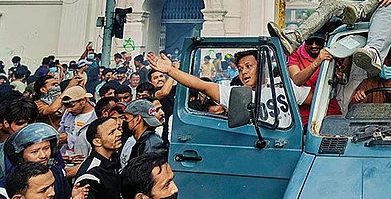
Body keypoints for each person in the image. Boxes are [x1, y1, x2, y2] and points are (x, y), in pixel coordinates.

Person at [146, 50, 301, 129]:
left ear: (261, 66)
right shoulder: (235, 93)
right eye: (240, 69)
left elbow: (313, 101)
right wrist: (171, 71)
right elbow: (202, 85)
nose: (244, 72)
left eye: (248, 67)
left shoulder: (282, 86)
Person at [2, 123, 79, 199]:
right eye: (35, 151)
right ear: (20, 156)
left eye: (46, 148)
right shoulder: (3, 189)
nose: (43, 155)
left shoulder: (56, 173)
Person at [287, 33, 342, 126]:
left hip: (329, 107)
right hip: (306, 113)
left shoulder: (332, 51)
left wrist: (340, 74)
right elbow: (297, 79)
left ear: (325, 39)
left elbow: (343, 71)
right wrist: (316, 63)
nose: (314, 45)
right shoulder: (295, 54)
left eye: (318, 42)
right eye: (309, 42)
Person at [74, 117, 123, 199]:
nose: (119, 133)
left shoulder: (114, 159)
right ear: (97, 141)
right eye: (112, 132)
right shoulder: (90, 175)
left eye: (118, 129)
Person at [57, 87, 95, 158]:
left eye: (72, 106)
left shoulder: (96, 116)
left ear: (83, 101)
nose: (68, 110)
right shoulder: (68, 113)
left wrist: (69, 138)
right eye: (66, 107)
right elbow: (61, 130)